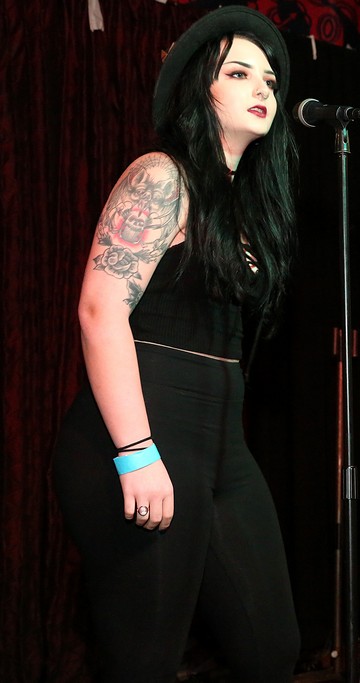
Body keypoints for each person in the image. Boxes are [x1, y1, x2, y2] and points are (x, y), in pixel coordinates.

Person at [52, 7, 300, 681]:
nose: (263, 88)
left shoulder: (246, 206)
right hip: (142, 435)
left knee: (271, 648)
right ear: (199, 87)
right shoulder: (162, 176)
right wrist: (136, 452)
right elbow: (100, 309)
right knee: (144, 660)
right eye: (239, 73)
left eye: (270, 79)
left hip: (222, 450)